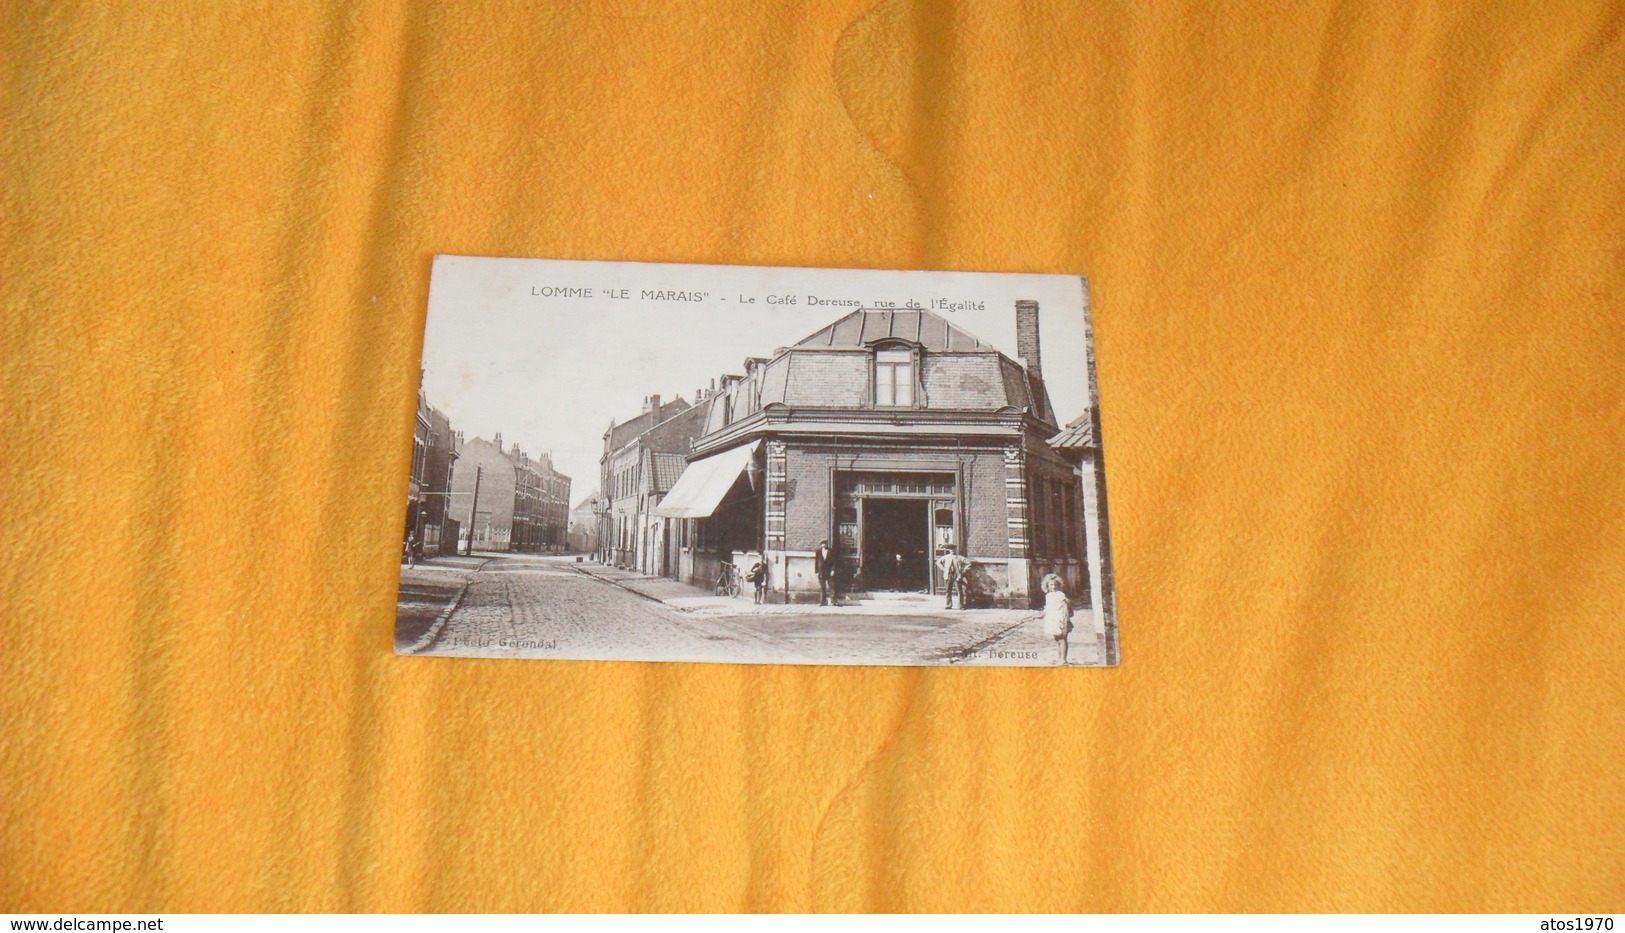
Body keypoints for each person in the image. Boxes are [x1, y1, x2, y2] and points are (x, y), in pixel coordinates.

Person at [1041, 573, 1073, 665]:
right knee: (1057, 639)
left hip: (1060, 618)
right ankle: (1060, 658)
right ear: (1047, 586)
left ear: (1058, 585)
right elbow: (1048, 607)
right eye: (1051, 585)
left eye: (1055, 585)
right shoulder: (1048, 595)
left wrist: (1065, 620)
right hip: (1052, 618)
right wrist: (1042, 615)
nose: (1053, 587)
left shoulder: (1060, 594)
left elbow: (1065, 607)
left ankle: (1063, 659)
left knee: (1063, 638)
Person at [935, 545, 970, 609]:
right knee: (948, 590)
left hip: (956, 575)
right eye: (951, 550)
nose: (952, 551)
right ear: (949, 550)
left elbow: (968, 563)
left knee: (959, 590)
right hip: (948, 575)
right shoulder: (946, 557)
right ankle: (948, 604)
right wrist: (943, 568)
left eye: (953, 549)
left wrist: (963, 571)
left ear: (956, 550)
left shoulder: (959, 557)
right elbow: (938, 562)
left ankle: (961, 605)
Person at [814, 539, 836, 606]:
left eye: (825, 544)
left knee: (831, 586)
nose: (824, 545)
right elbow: (816, 561)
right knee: (822, 586)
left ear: (827, 544)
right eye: (822, 544)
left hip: (829, 571)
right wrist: (816, 571)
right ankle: (823, 601)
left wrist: (833, 570)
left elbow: (833, 562)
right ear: (821, 545)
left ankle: (833, 601)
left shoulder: (831, 551)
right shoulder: (818, 551)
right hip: (821, 571)